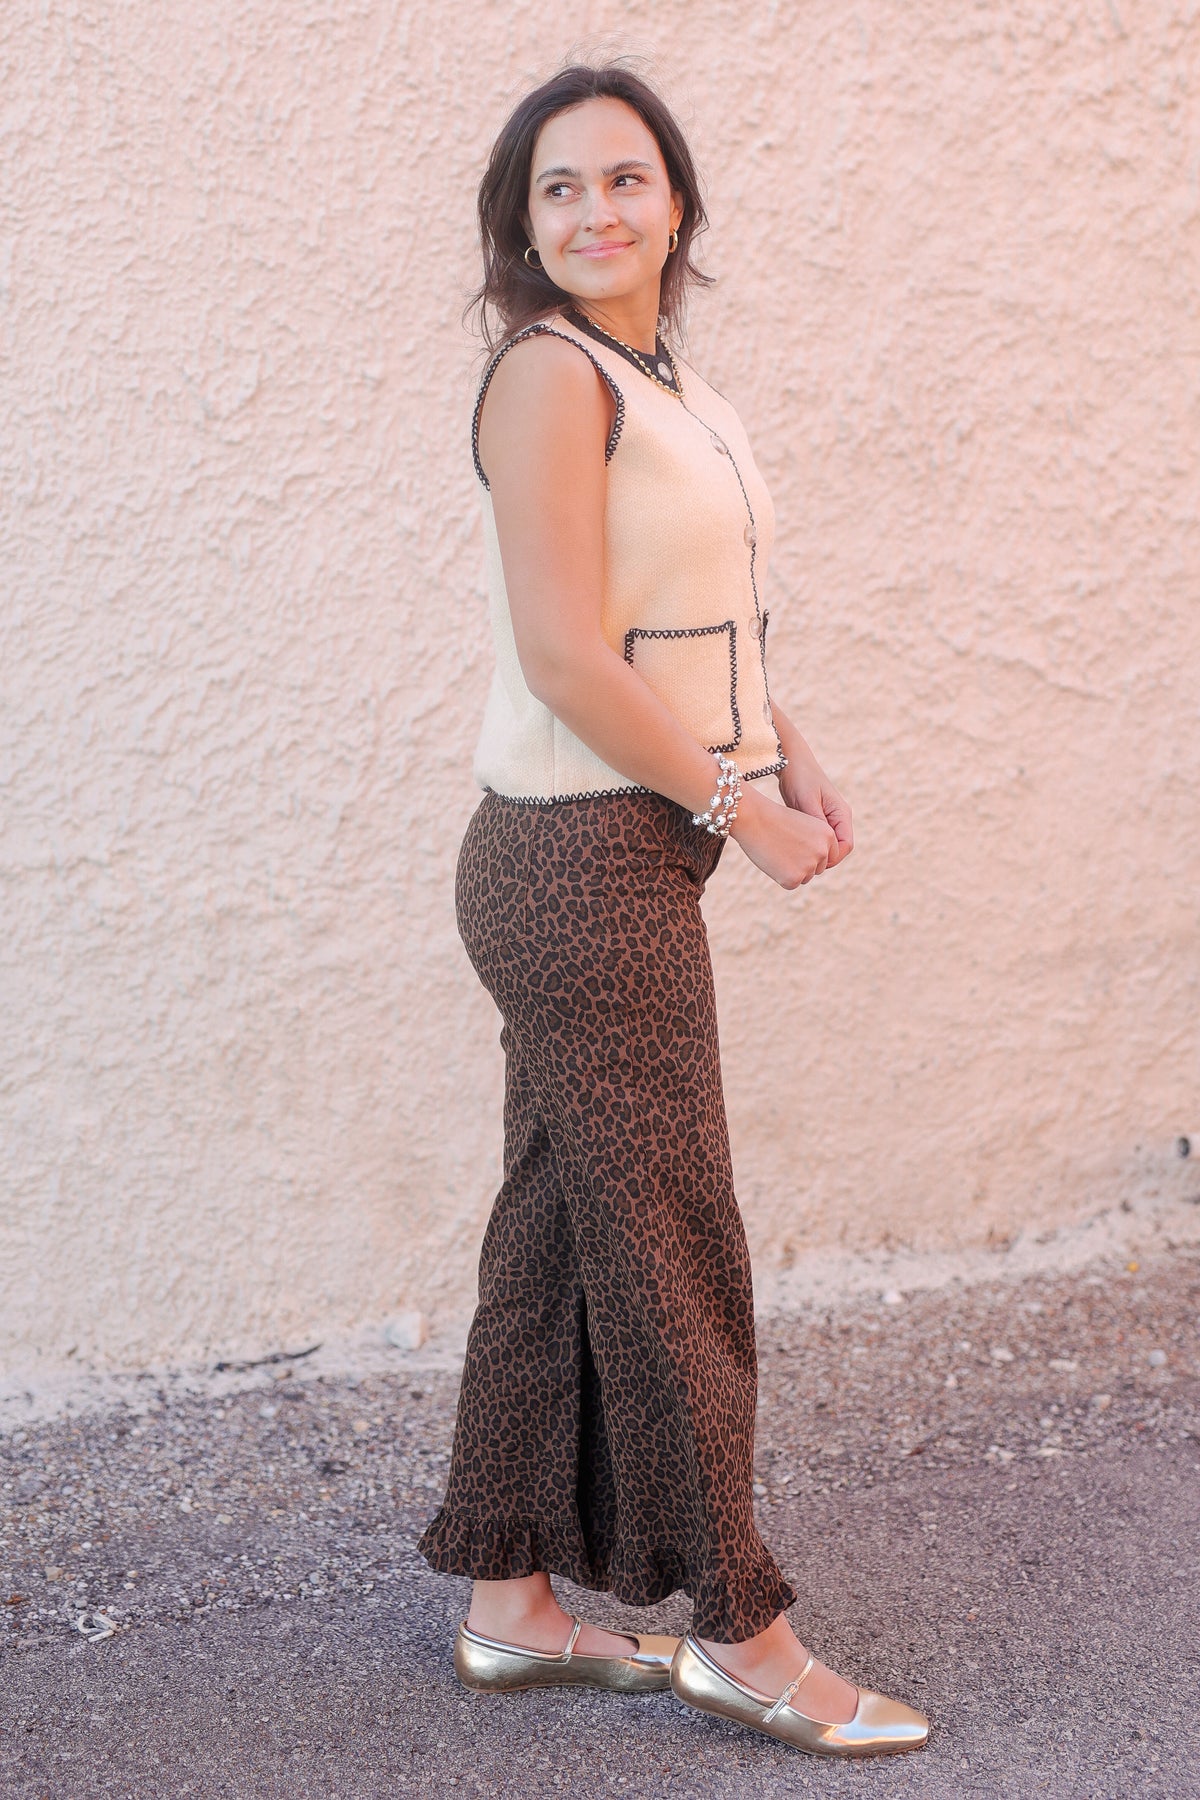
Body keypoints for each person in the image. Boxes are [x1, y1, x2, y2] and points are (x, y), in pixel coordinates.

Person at [417, 61, 929, 1761]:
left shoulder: (671, 387)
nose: (595, 211)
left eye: (624, 178)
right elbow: (569, 656)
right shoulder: (548, 379)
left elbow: (699, 620)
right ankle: (741, 1634)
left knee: (563, 1230)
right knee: (673, 1248)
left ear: (678, 202)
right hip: (578, 867)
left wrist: (791, 756)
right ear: (523, 222)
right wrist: (738, 812)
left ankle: (509, 1604)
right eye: (557, 188)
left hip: (625, 852)